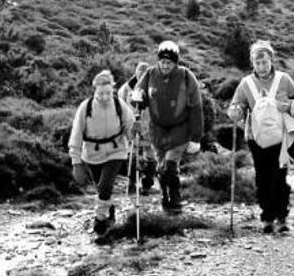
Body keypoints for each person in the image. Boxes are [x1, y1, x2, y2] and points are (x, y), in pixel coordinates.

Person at [227, 40, 294, 234]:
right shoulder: (246, 84)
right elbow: (236, 106)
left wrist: (289, 107)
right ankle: (267, 217)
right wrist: (236, 111)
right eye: (257, 62)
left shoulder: (284, 79)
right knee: (262, 177)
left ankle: (281, 217)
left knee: (279, 177)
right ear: (253, 63)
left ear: (271, 60)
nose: (261, 66)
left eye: (265, 62)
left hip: (282, 137)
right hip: (256, 138)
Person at [132, 41, 203, 213]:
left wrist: (196, 137)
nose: (165, 66)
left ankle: (176, 198)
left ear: (175, 62)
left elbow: (196, 107)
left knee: (170, 165)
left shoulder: (186, 76)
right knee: (161, 167)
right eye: (162, 62)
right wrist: (137, 99)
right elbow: (137, 95)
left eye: (169, 63)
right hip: (157, 130)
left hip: (180, 129)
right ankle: (165, 195)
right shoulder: (149, 74)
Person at [68, 70, 136, 235]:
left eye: (108, 93)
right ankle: (110, 213)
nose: (105, 97)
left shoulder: (120, 105)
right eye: (101, 93)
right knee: (102, 189)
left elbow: (129, 127)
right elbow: (76, 135)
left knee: (105, 186)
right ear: (95, 90)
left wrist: (135, 132)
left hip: (116, 151)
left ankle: (100, 220)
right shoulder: (86, 107)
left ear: (112, 89)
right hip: (92, 154)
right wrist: (76, 162)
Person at [118, 62, 157, 195]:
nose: (141, 76)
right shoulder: (125, 89)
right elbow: (120, 106)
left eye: (144, 74)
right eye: (139, 73)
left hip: (148, 125)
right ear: (135, 73)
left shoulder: (153, 88)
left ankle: (148, 180)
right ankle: (132, 181)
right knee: (131, 151)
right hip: (131, 125)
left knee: (150, 151)